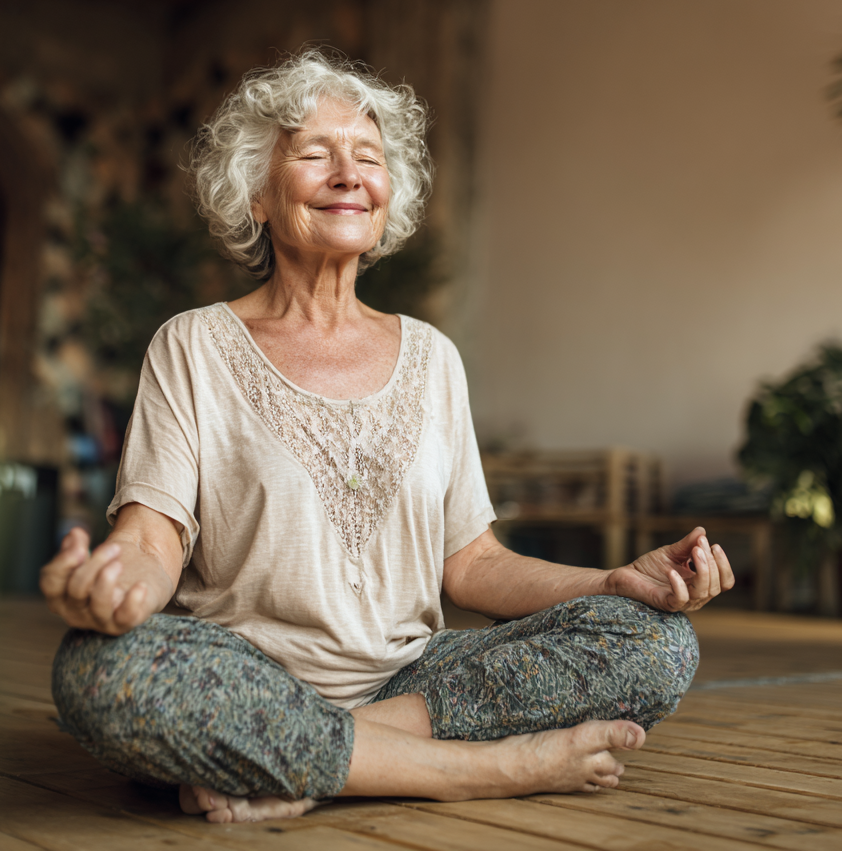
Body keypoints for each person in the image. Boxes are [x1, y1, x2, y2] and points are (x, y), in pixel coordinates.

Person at [41, 50, 733, 825]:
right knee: (101, 672)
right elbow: (152, 538)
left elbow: (472, 565)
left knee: (656, 642)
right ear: (257, 197)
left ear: (386, 195)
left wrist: (613, 583)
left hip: (413, 682)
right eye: (314, 154)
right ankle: (485, 770)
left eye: (367, 158)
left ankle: (304, 759)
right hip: (245, 673)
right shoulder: (194, 345)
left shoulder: (433, 356)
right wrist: (116, 584)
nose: (348, 174)